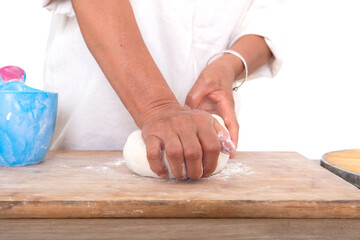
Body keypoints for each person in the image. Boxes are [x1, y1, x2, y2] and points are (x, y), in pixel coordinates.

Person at [42, 0, 284, 180]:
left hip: (202, 158)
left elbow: (265, 17)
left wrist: (229, 64)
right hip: (89, 148)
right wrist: (157, 108)